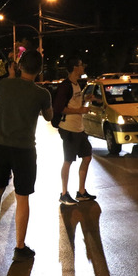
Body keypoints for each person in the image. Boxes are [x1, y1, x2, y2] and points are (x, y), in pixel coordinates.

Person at [0, 50, 54, 261]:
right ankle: (19, 247)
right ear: (40, 69)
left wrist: (10, 75)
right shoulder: (42, 93)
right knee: (22, 197)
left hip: (1, 146)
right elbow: (49, 117)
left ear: (19, 66)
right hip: (24, 150)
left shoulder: (5, 84)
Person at [52, 56, 95, 205]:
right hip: (68, 129)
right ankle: (64, 193)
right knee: (68, 161)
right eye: (81, 64)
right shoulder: (65, 86)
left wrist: (86, 99)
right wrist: (79, 110)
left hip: (79, 128)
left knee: (87, 156)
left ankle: (81, 192)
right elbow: (59, 109)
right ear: (75, 68)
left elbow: (75, 102)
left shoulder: (77, 84)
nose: (83, 67)